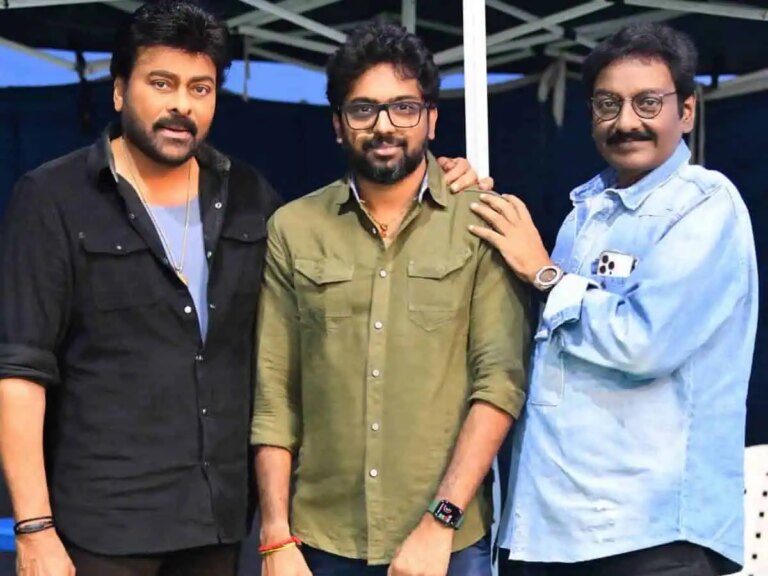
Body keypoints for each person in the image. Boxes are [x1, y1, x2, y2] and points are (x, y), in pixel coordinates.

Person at [0, 3, 485, 575]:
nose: (182, 104)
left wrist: (447, 177)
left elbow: (285, 361)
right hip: (102, 525)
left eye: (200, 88)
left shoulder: (252, 199)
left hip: (219, 523)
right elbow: (20, 371)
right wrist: (33, 527)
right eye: (162, 83)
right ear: (119, 90)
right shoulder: (53, 199)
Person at [467, 23, 758, 576]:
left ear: (686, 111)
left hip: (650, 536)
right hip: (556, 529)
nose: (626, 122)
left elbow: (645, 343)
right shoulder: (587, 212)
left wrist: (546, 275)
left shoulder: (704, 204)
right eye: (608, 104)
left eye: (648, 102)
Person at [251, 21, 530, 576]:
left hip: (447, 540)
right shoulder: (294, 228)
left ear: (431, 119)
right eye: (363, 110)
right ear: (338, 124)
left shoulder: (481, 220)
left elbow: (499, 382)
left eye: (404, 108)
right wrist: (275, 535)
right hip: (319, 539)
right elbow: (275, 392)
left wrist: (441, 520)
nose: (384, 126)